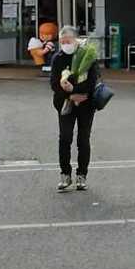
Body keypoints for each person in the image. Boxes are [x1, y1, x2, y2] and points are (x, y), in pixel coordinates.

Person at [49, 25, 101, 192]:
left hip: (86, 103)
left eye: (68, 41)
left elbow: (93, 81)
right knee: (65, 137)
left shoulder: (87, 55)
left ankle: (81, 175)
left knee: (83, 139)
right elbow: (54, 84)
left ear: (76, 40)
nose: (65, 45)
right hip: (65, 103)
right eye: (62, 42)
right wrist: (70, 95)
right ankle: (65, 174)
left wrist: (76, 90)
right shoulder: (57, 58)